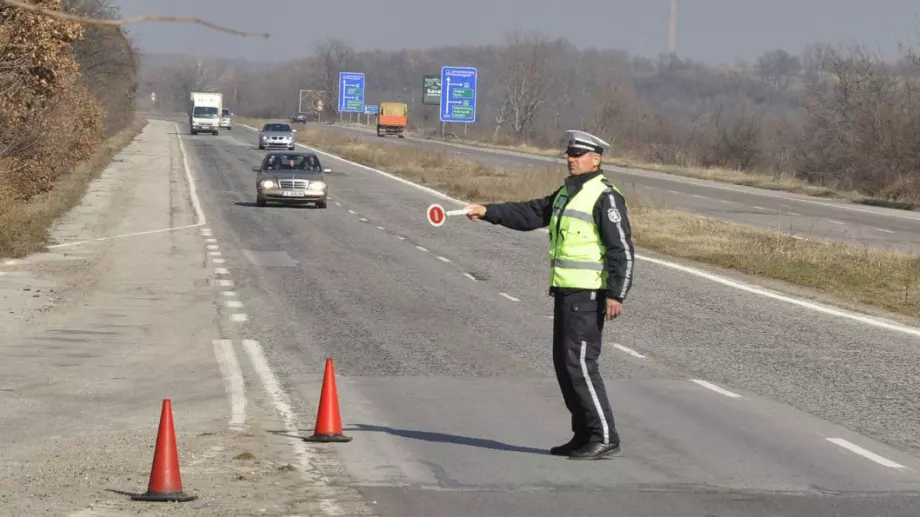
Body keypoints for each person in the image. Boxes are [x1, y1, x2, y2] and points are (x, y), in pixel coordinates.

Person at [464, 129, 635, 460]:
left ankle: (604, 435)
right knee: (565, 364)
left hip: (589, 295)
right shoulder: (566, 193)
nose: (570, 158)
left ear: (595, 160)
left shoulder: (605, 197)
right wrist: (487, 211)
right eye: (569, 154)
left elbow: (622, 250)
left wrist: (617, 293)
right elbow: (530, 213)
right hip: (566, 293)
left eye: (577, 155)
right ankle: (583, 434)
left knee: (581, 364)